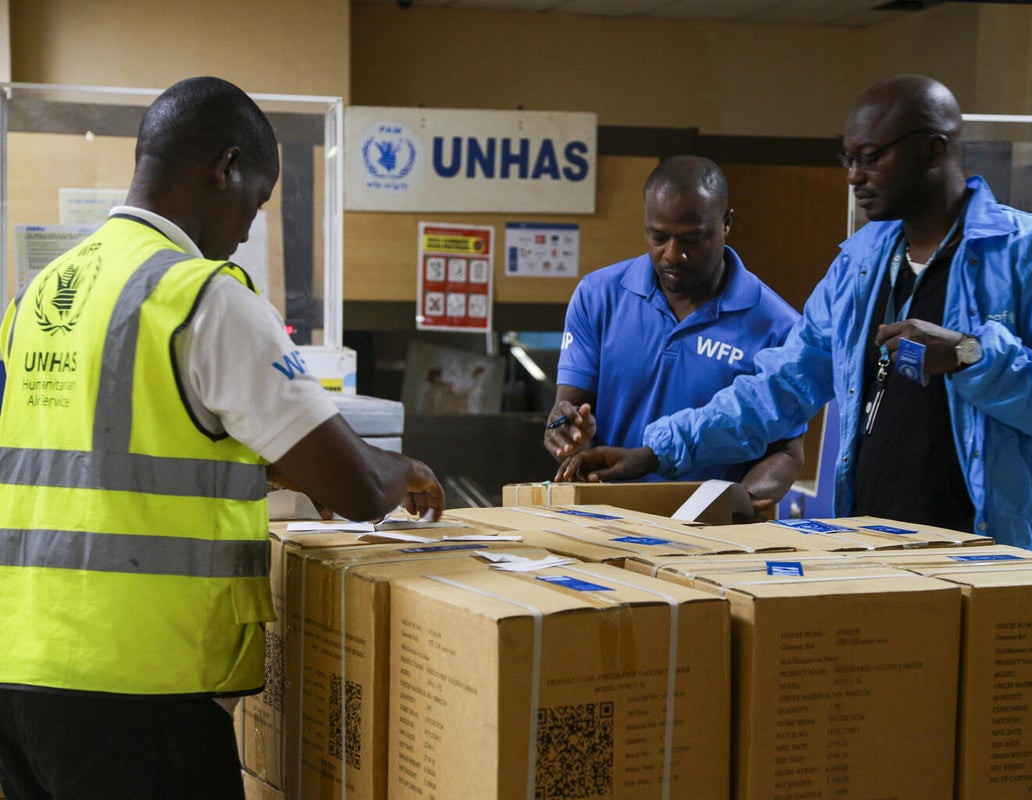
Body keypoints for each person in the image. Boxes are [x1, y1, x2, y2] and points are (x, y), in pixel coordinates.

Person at [0, 77, 443, 800]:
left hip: (18, 675)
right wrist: (407, 467)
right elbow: (359, 489)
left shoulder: (42, 294)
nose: (245, 229)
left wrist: (269, 473)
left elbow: (103, 459)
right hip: (136, 690)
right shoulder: (203, 298)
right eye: (256, 203)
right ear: (225, 166)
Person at [556, 74, 1032, 555]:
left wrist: (968, 354)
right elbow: (778, 387)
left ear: (933, 149)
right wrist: (657, 451)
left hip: (995, 553)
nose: (853, 176)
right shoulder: (861, 266)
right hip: (875, 543)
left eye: (871, 158)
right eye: (847, 158)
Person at [544, 155, 806, 515]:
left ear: (727, 223)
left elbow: (787, 451)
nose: (672, 254)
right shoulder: (598, 296)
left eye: (692, 239)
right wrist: (565, 428)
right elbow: (568, 407)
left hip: (709, 534)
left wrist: (738, 501)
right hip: (605, 519)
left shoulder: (778, 326)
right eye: (658, 236)